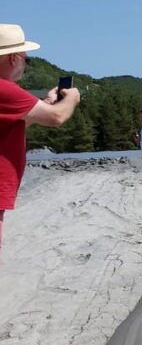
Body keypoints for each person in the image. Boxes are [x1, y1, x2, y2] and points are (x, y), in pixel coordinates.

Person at [0, 24, 80, 254]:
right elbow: (56, 117)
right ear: (14, 58)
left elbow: (17, 121)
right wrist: (72, 98)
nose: (26, 65)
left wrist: (47, 102)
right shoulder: (5, 89)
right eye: (26, 59)